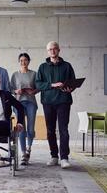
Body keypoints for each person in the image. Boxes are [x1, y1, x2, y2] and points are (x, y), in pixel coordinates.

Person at [35, 41, 76, 169]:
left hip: (64, 101)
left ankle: (64, 158)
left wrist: (70, 88)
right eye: (50, 49)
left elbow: (73, 82)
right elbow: (38, 84)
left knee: (64, 130)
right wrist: (52, 85)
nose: (52, 51)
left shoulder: (67, 66)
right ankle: (54, 156)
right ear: (47, 51)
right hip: (48, 102)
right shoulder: (42, 67)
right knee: (50, 130)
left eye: (54, 49)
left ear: (59, 50)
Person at [10, 53, 38, 165]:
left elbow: (38, 88)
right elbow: (10, 89)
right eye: (21, 60)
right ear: (19, 62)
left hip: (31, 102)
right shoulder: (15, 75)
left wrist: (34, 91)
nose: (23, 62)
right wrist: (16, 91)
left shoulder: (34, 74)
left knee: (30, 129)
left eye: (25, 60)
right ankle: (23, 153)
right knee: (21, 128)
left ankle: (29, 148)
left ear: (28, 61)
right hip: (18, 103)